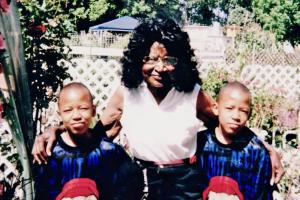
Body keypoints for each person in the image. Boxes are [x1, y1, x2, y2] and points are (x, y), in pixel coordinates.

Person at [32, 17, 283, 199]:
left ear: (180, 61)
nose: (159, 67)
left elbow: (228, 126)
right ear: (137, 59)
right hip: (140, 180)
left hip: (185, 182)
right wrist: (54, 131)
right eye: (150, 59)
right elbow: (93, 133)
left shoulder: (192, 93)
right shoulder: (126, 93)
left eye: (168, 59)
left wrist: (265, 148)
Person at [34, 82, 143, 200]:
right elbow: (43, 192)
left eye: (83, 108)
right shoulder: (50, 154)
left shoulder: (110, 152)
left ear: (93, 110)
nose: (76, 115)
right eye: (68, 110)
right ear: (59, 114)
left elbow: (131, 186)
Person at [197, 82, 273, 199]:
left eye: (243, 110)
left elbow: (261, 194)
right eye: (229, 108)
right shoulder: (200, 143)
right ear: (216, 109)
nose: (236, 116)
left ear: (249, 114)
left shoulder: (256, 152)